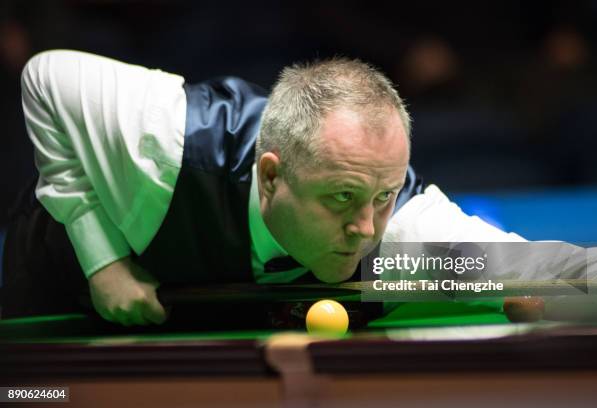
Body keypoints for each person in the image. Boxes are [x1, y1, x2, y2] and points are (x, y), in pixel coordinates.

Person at [1, 50, 568, 326]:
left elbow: (542, 274)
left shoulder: (400, 232)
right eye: (341, 198)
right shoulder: (165, 143)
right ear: (270, 178)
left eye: (383, 195)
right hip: (61, 287)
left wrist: (552, 284)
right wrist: (103, 263)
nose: (365, 230)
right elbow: (45, 77)